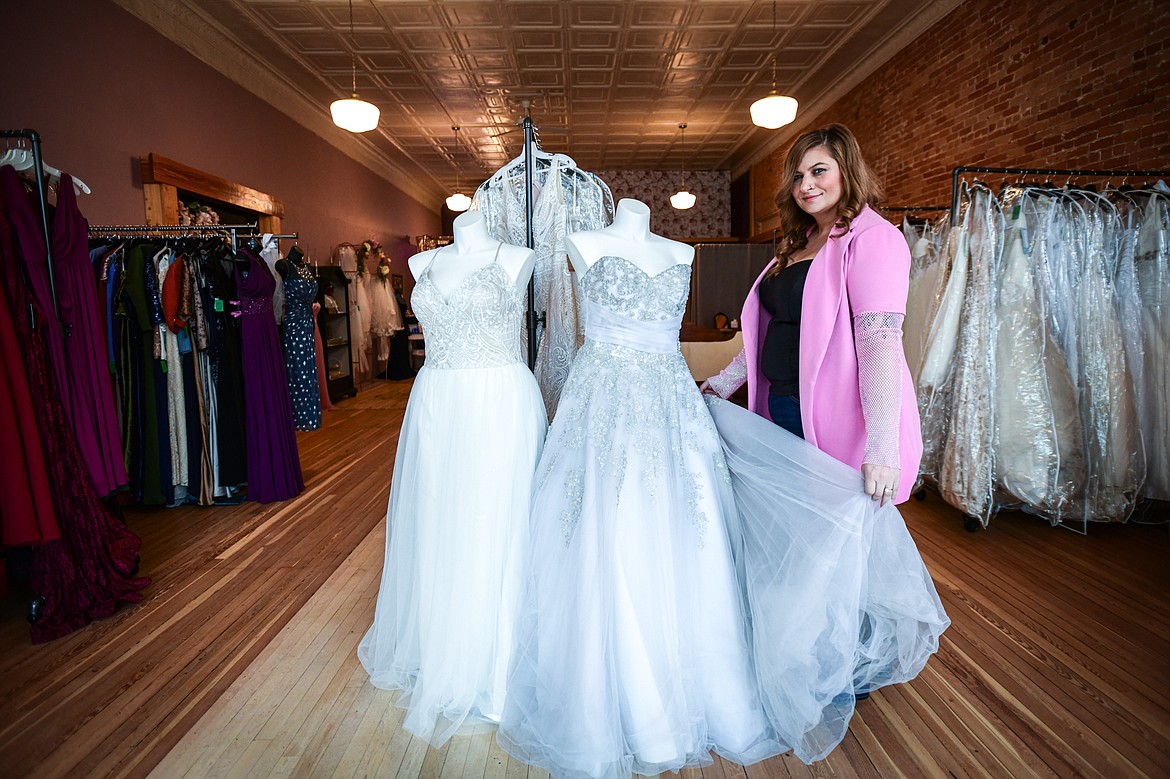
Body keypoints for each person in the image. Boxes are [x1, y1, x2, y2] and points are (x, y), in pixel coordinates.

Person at [357, 210, 547, 746]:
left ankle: (499, 656)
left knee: (496, 519)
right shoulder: (422, 261)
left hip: (498, 401)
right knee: (440, 521)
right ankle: (441, 644)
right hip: (437, 401)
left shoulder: (517, 258)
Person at [702, 123, 922, 506]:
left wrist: (884, 448)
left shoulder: (872, 238)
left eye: (819, 170)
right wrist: (723, 382)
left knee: (833, 538)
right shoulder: (799, 242)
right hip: (783, 404)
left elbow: (880, 343)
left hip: (835, 415)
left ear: (846, 171)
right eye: (798, 176)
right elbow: (769, 328)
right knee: (793, 524)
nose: (806, 185)